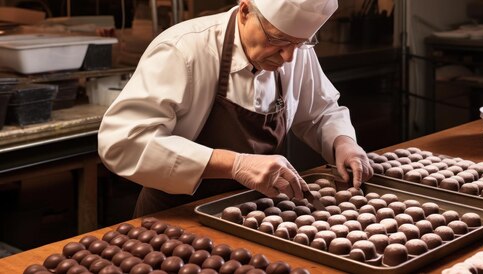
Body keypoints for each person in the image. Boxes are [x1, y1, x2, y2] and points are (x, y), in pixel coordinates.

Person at [98, 0, 373, 217]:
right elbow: (123, 142)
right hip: (177, 215)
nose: (289, 57)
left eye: (300, 43)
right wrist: (235, 164)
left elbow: (319, 112)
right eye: (278, 40)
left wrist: (343, 142)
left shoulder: (294, 51)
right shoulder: (184, 50)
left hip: (256, 214)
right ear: (244, 11)